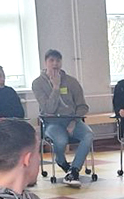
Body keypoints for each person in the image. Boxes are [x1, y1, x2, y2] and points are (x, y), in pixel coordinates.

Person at [32, 49, 92, 186]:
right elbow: (48, 109)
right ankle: (61, 160)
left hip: (72, 120)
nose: (55, 64)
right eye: (51, 61)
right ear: (45, 63)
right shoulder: (38, 83)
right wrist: (56, 87)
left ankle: (74, 170)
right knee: (60, 140)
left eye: (58, 61)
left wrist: (74, 121)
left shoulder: (72, 82)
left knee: (88, 135)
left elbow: (83, 106)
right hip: (52, 122)